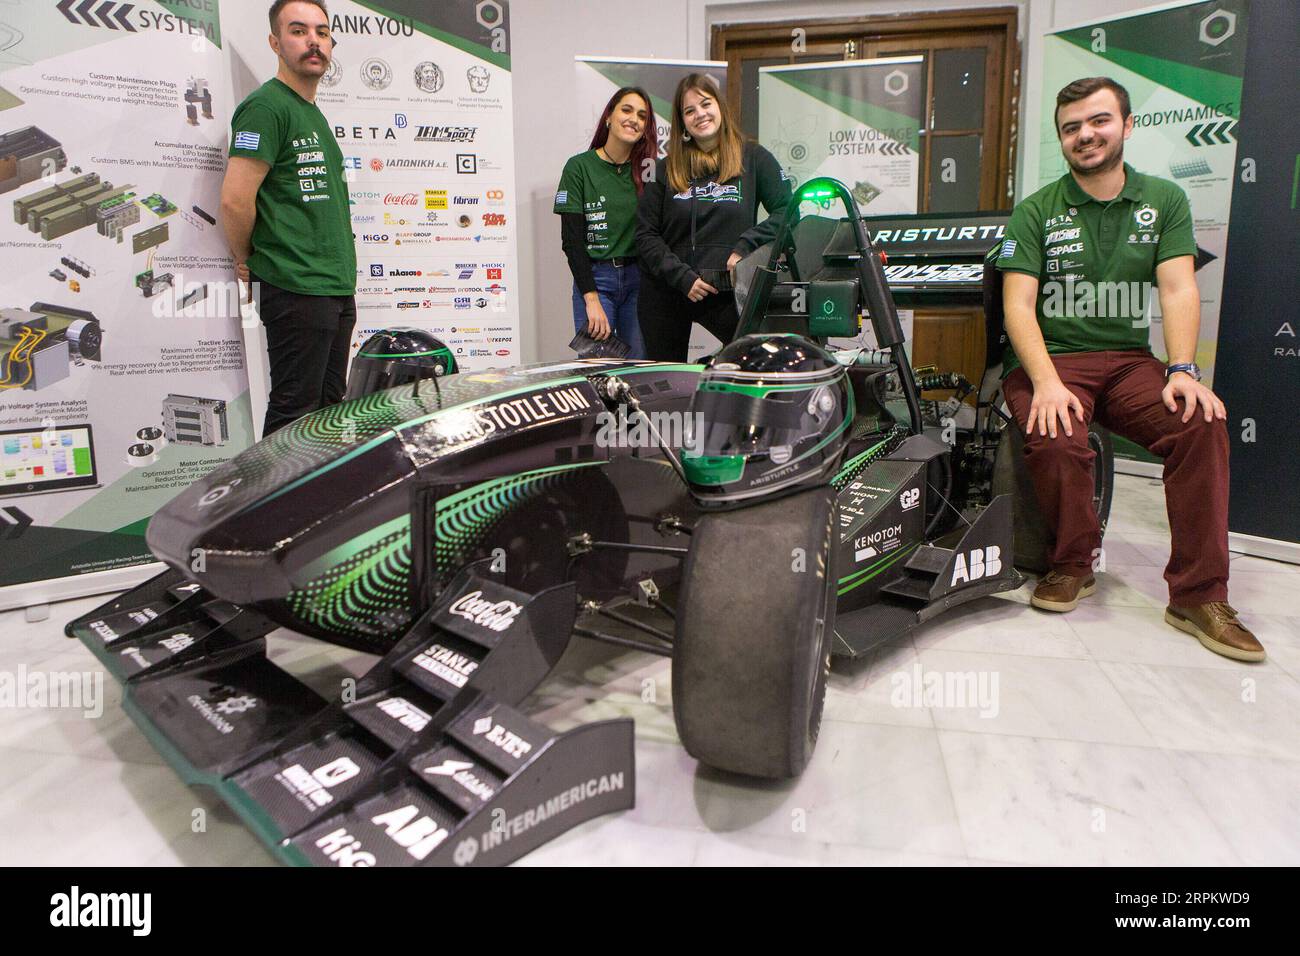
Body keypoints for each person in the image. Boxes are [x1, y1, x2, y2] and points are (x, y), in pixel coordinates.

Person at [997, 76, 1263, 661]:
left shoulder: (1164, 199)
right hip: (1054, 360)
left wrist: (1185, 370)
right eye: (1071, 128)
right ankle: (1072, 564)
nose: (1085, 135)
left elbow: (1177, 289)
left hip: (1128, 363)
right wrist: (1044, 381)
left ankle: (1198, 596)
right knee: (1056, 434)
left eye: (1098, 121)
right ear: (1061, 140)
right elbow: (1017, 305)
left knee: (1199, 425)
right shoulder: (1037, 210)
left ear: (1126, 125)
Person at [220, 0, 356, 436]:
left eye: (321, 31)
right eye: (299, 31)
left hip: (333, 286)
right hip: (295, 285)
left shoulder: (310, 113)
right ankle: (276, 506)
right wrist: (245, 259)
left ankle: (320, 506)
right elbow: (235, 201)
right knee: (293, 415)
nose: (313, 41)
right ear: (275, 43)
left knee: (327, 414)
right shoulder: (266, 107)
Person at [635, 73, 792, 362]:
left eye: (705, 104)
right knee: (666, 384)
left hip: (727, 288)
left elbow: (788, 212)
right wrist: (682, 278)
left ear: (720, 106)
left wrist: (746, 247)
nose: (700, 114)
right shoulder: (664, 169)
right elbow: (645, 234)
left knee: (753, 365)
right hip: (669, 290)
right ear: (682, 121)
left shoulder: (754, 158)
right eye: (689, 110)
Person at [554, 87, 656, 358]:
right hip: (596, 281)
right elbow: (571, 241)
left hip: (640, 282)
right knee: (599, 374)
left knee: (642, 376)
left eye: (642, 116)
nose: (634, 118)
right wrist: (591, 298)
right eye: (627, 109)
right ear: (609, 116)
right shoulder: (579, 167)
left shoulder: (650, 170)